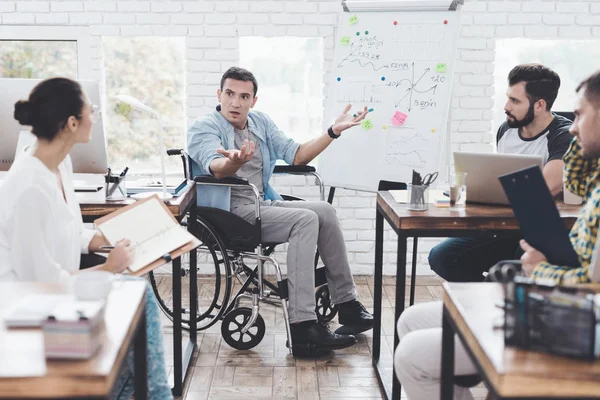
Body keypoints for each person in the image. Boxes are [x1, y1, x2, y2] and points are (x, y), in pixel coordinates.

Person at [395, 69, 600, 400]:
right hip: (531, 263)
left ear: (539, 104)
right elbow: (577, 179)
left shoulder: (561, 137)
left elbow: (555, 186)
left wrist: (538, 267)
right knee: (412, 313)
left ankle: (479, 351)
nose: (572, 125)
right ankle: (474, 354)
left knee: (411, 352)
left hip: (559, 307)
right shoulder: (588, 177)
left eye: (579, 115)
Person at [0, 77, 172, 400]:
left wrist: (112, 236)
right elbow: (40, 282)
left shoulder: (59, 164)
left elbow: (74, 231)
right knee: (138, 299)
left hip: (56, 293)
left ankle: (146, 392)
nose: (94, 115)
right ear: (71, 123)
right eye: (90, 109)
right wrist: (108, 268)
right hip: (23, 309)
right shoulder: (28, 187)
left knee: (140, 297)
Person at [187, 66, 373, 356]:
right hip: (227, 212)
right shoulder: (204, 127)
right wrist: (234, 161)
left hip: (258, 204)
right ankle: (302, 327)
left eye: (244, 96)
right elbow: (216, 167)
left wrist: (332, 132)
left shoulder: (260, 122)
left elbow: (297, 155)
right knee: (305, 220)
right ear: (219, 94)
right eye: (230, 94)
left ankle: (347, 305)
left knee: (324, 210)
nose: (236, 102)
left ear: (254, 101)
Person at [428, 64, 573, 282]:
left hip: (541, 233)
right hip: (503, 226)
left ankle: (494, 294)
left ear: (540, 105)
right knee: (442, 257)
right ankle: (487, 294)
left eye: (515, 101)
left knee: (517, 267)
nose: (506, 107)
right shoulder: (506, 130)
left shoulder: (563, 135)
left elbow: (547, 187)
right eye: (508, 98)